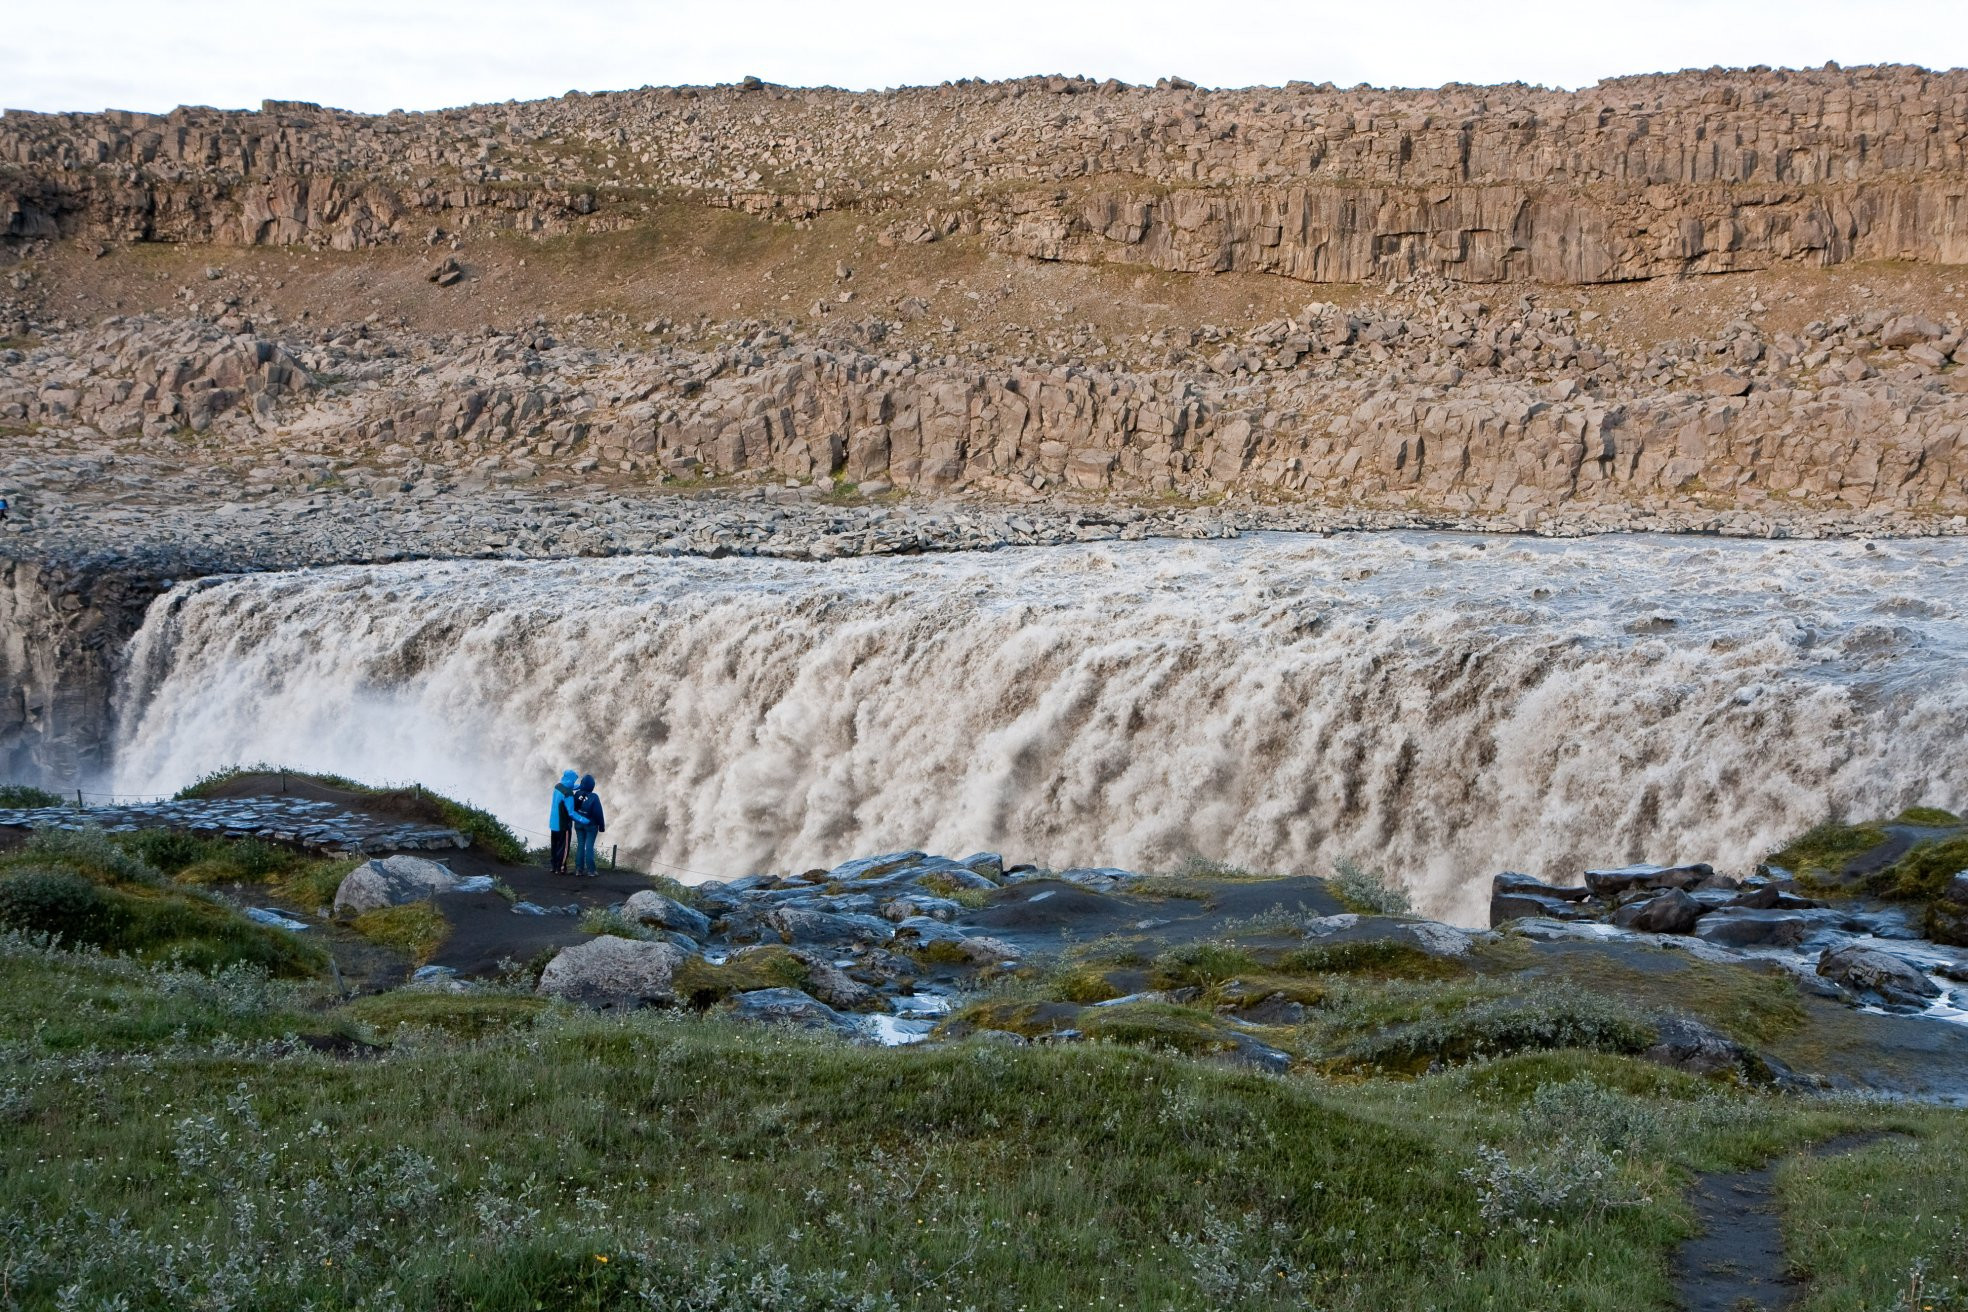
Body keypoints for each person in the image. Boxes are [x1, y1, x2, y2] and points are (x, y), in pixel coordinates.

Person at [571, 772, 606, 877]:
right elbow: (598, 813)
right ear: (592, 786)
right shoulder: (594, 797)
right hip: (591, 825)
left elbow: (574, 808)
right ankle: (591, 871)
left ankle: (579, 870)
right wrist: (601, 826)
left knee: (580, 846)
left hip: (578, 824)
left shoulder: (577, 794)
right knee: (589, 847)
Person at [547, 768, 580, 875]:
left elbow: (568, 786)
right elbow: (571, 812)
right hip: (563, 825)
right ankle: (560, 868)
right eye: (574, 780)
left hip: (554, 823)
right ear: (571, 779)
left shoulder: (558, 786)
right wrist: (584, 820)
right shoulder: (569, 793)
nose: (574, 782)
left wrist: (580, 786)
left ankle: (553, 866)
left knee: (555, 845)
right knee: (564, 847)